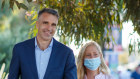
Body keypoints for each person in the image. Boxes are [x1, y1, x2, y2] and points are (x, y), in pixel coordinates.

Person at [8, 8, 77, 79]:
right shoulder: (20, 49)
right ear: (37, 24)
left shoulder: (66, 54)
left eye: (53, 25)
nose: (49, 28)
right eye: (45, 23)